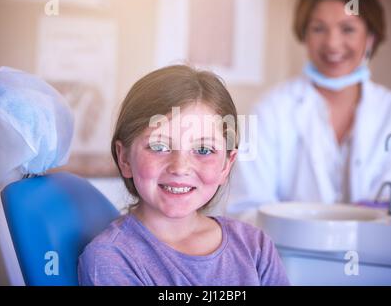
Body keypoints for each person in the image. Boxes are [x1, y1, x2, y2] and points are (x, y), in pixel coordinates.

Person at [77, 65, 289, 286]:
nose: (180, 167)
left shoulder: (256, 248)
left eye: (204, 150)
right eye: (159, 146)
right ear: (124, 158)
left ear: (226, 165)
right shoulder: (110, 258)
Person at [227, 0, 391, 224]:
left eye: (347, 29)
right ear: (304, 34)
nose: (332, 43)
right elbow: (246, 206)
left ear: (370, 37)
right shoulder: (270, 109)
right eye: (318, 29)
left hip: (374, 254)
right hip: (288, 256)